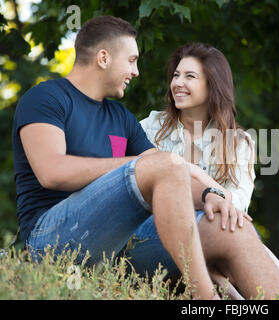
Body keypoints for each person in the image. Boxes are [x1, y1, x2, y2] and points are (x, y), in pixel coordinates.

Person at [12, 16, 226, 300]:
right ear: (103, 58)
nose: (136, 71)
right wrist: (134, 165)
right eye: (132, 60)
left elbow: (170, 172)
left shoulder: (121, 117)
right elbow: (52, 172)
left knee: (227, 226)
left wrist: (212, 195)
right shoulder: (46, 98)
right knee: (162, 163)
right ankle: (205, 299)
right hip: (48, 241)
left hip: (115, 247)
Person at [139, 42, 279, 299]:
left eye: (190, 76)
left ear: (212, 85)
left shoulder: (239, 144)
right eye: (176, 75)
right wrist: (201, 185)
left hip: (215, 234)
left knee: (240, 235)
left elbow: (236, 206)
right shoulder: (150, 128)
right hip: (156, 233)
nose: (178, 83)